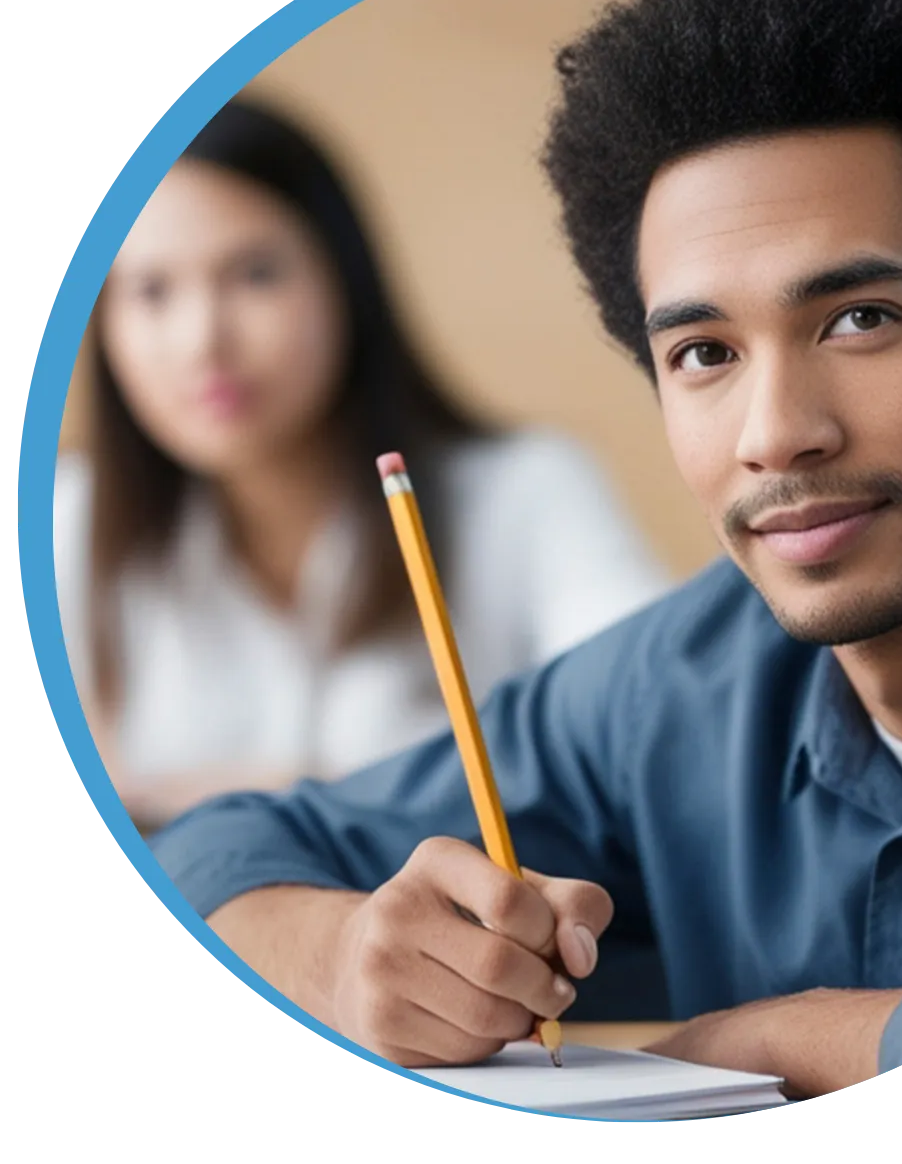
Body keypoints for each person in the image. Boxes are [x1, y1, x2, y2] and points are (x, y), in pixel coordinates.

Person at [146, 0, 902, 1097]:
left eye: (859, 319)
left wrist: (781, 1042)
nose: (774, 430)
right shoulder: (678, 685)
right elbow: (214, 854)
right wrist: (348, 956)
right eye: (704, 351)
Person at [55, 99, 671, 829]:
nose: (201, 341)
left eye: (254, 274)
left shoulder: (527, 492)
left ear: (343, 280)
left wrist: (279, 794)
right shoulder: (68, 521)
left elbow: (650, 728)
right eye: (151, 292)